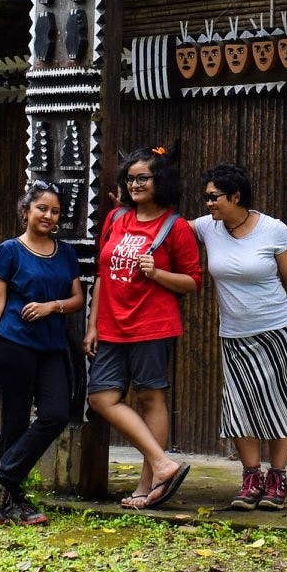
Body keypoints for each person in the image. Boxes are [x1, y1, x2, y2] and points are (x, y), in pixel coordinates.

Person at [192, 163, 287, 511]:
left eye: (214, 197)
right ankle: (250, 478)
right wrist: (130, 206)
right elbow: (168, 229)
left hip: (277, 329)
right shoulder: (208, 227)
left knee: (279, 403)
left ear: (236, 196)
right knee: (240, 405)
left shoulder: (273, 230)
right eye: (206, 198)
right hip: (233, 335)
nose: (208, 204)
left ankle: (277, 478)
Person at [84, 147, 200, 508]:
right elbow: (102, 273)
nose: (135, 184)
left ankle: (149, 484)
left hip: (153, 324)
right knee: (101, 398)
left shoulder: (175, 226)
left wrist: (157, 273)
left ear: (159, 181)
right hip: (111, 325)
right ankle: (164, 464)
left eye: (143, 178)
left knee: (150, 398)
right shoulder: (117, 218)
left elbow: (192, 281)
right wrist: (93, 324)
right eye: (131, 178)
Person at [0, 179, 83, 526]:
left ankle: (1, 477)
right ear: (26, 211)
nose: (49, 216)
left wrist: (52, 306)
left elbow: (77, 299)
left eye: (55, 211)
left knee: (56, 413)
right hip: (13, 344)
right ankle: (10, 499)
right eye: (42, 209)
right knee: (15, 419)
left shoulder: (65, 253)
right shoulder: (9, 250)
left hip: (52, 346)